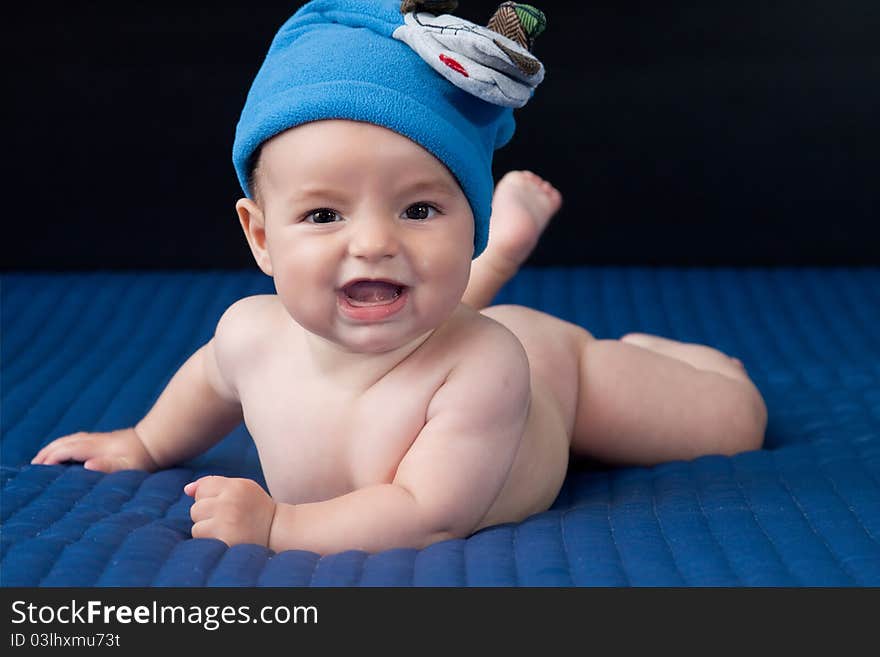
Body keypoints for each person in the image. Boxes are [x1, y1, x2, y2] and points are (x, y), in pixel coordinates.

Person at [31, 0, 767, 555]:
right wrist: (145, 443)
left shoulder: (491, 367)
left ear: (464, 222)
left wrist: (283, 524)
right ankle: (503, 257)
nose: (375, 243)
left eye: (419, 208)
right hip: (440, 325)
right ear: (260, 235)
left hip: (555, 376)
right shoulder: (250, 332)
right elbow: (208, 382)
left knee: (735, 423)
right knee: (421, 317)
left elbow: (428, 508)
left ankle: (672, 353)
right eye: (323, 216)